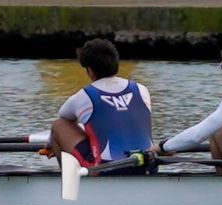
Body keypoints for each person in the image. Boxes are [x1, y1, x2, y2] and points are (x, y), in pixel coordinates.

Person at [49, 38, 153, 169]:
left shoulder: (84, 96)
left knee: (59, 125)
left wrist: (51, 144)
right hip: (148, 164)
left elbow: (63, 118)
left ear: (90, 71)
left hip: (105, 169)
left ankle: (67, 182)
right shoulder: (142, 90)